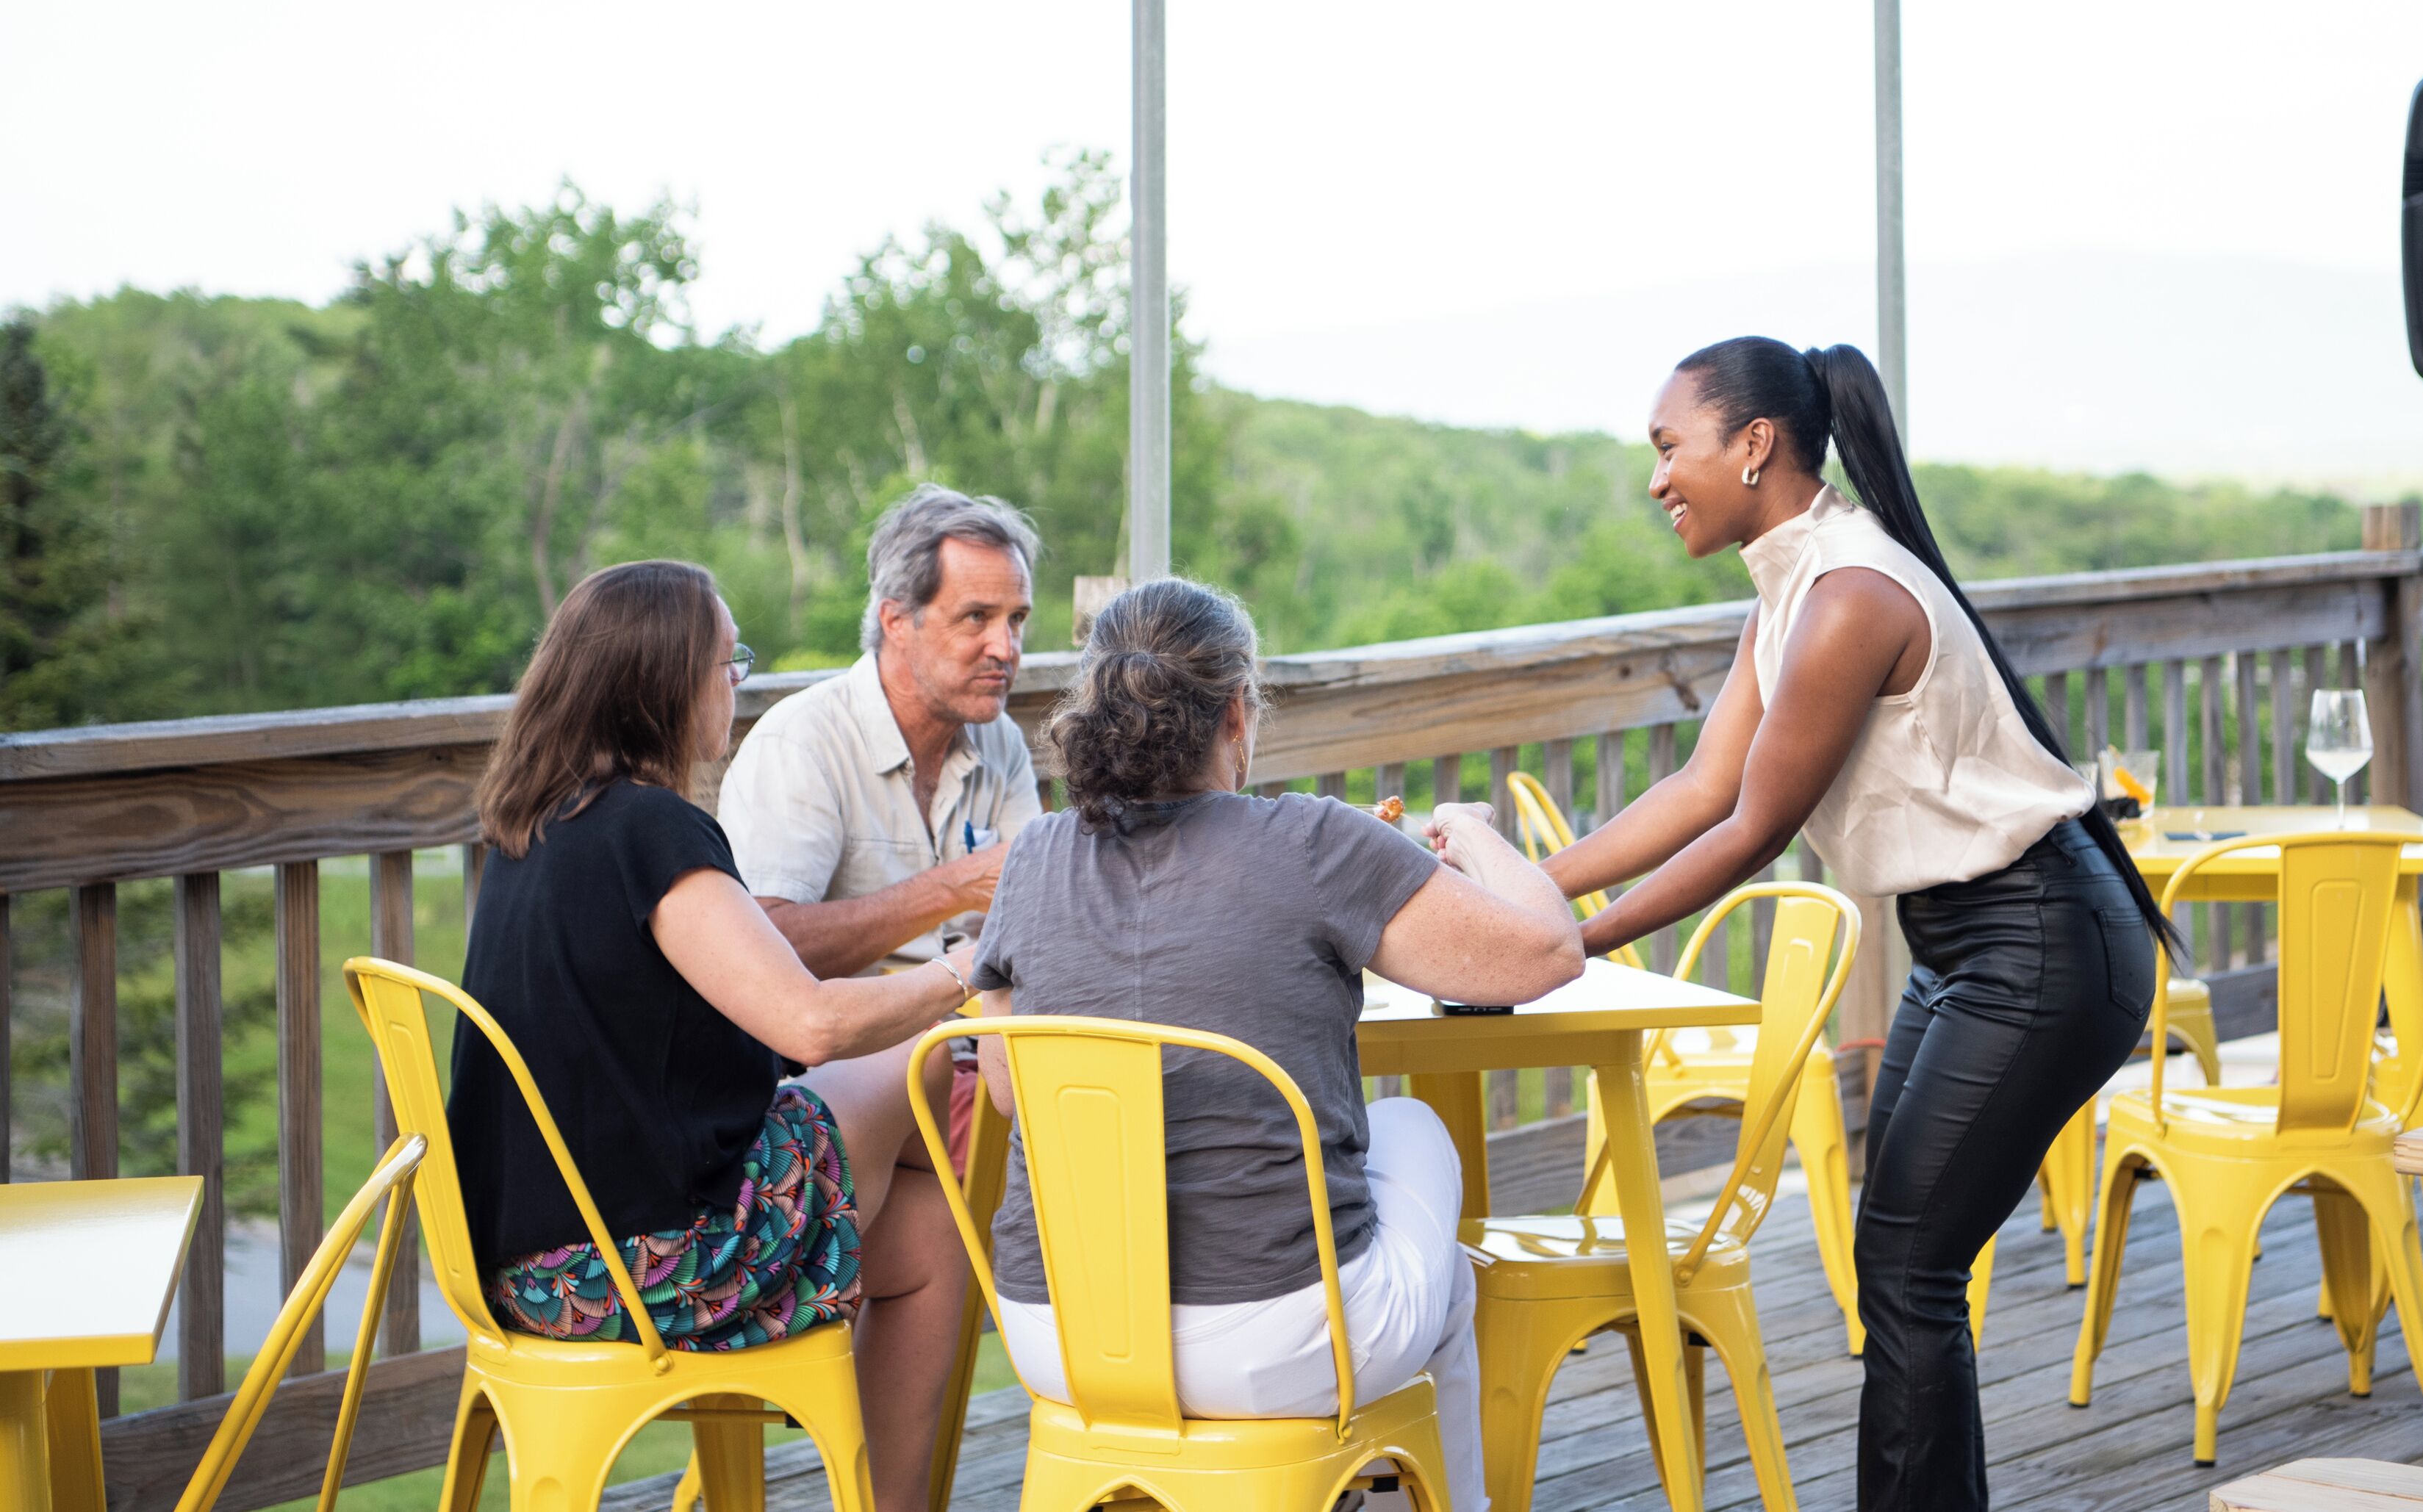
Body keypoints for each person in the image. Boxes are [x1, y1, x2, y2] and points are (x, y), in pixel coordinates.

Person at [1538, 338, 2169, 1512]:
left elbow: (1750, 830)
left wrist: (1566, 945)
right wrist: (1533, 891)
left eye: (1670, 446)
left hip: (2036, 938)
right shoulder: (1793, 590)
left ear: (1755, 445)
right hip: (1969, 940)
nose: (1658, 475)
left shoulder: (1848, 598)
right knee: (1909, 1268)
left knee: (1906, 1267)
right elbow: (1698, 787)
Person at [966, 579, 1584, 1512]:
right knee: (1418, 1147)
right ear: (1237, 713)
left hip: (1060, 1334)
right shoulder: (1311, 841)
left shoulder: (1036, 855)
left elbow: (1011, 1090)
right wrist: (1468, 831)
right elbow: (1548, 951)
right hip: (1274, 1339)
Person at [451, 559, 980, 1499]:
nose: (738, 680)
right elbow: (811, 1023)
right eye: (727, 660)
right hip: (651, 1265)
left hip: (522, 1266)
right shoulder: (652, 831)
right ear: (662, 681)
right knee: (915, 1058)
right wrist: (964, 972)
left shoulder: (534, 827)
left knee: (933, 1232)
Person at [719, 485, 1042, 1167]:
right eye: (977, 617)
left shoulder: (1002, 738)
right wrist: (955, 885)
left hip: (986, 1065)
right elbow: (764, 950)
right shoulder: (802, 741)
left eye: (1017, 619)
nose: (1005, 647)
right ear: (897, 620)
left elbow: (1036, 912)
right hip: (834, 1084)